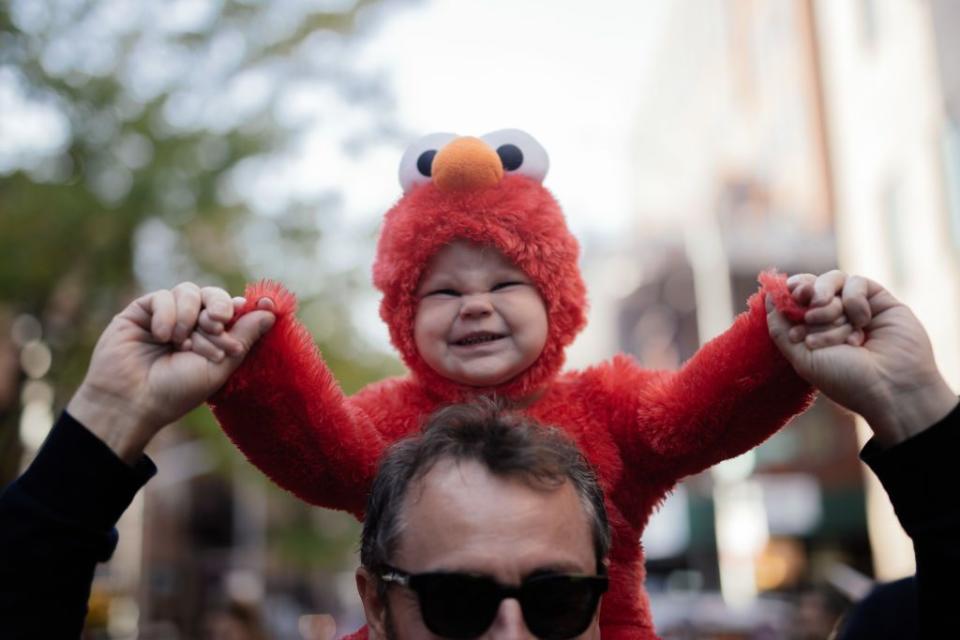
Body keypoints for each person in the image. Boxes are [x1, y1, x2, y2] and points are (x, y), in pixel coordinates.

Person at [0, 271, 953, 638]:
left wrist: (914, 405)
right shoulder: (374, 431)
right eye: (454, 602)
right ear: (375, 600)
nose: (508, 636)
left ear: (605, 580)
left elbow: (686, 417)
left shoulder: (619, 413)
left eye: (555, 598)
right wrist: (108, 417)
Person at [202, 130, 828, 639]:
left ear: (555, 299)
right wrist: (250, 361)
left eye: (504, 285)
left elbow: (703, 408)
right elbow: (312, 443)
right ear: (403, 316)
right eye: (444, 291)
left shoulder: (611, 405)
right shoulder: (383, 420)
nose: (474, 307)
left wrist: (780, 341)